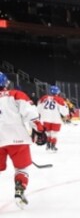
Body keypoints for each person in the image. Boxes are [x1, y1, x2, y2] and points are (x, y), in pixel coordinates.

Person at [0, 72, 46, 208]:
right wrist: (39, 129)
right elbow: (31, 114)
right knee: (22, 168)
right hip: (17, 137)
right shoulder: (16, 94)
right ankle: (19, 191)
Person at [36, 85, 69, 152]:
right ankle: (53, 146)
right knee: (54, 133)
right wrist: (66, 115)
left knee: (48, 132)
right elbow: (64, 109)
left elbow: (38, 107)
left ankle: (48, 145)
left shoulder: (44, 98)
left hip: (45, 118)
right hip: (55, 118)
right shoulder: (59, 99)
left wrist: (39, 114)